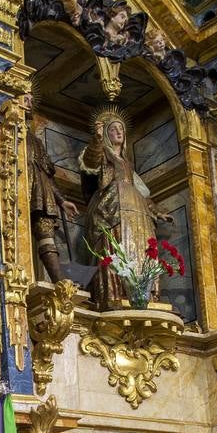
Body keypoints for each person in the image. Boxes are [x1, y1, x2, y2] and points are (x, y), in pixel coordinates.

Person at [79, 109, 172, 309]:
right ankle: (114, 293)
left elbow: (143, 193)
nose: (119, 132)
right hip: (111, 207)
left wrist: (157, 212)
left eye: (121, 129)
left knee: (137, 247)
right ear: (106, 134)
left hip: (135, 209)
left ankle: (143, 295)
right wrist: (96, 140)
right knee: (114, 242)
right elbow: (89, 162)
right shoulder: (103, 154)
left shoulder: (127, 164)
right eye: (113, 129)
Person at [25, 94, 79, 283]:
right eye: (24, 98)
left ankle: (58, 281)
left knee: (45, 231)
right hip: (19, 185)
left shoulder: (36, 141)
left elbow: (48, 174)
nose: (28, 103)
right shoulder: (7, 129)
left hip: (41, 189)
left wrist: (62, 201)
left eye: (31, 100)